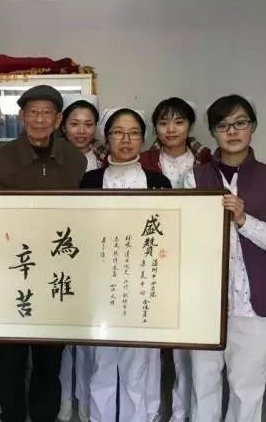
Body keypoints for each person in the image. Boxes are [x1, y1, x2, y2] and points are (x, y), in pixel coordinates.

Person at [185, 95, 266, 422]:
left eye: (240, 123)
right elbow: (185, 240)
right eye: (223, 125)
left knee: (247, 391)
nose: (232, 131)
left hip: (254, 305)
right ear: (212, 132)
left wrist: (245, 220)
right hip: (205, 304)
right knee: (203, 386)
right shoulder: (194, 177)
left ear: (252, 127)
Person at [0, 85, 86, 422]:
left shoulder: (76, 160)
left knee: (49, 358)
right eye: (33, 112)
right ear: (21, 117)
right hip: (12, 270)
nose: (40, 119)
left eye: (47, 113)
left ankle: (44, 415)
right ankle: (11, 415)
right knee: (10, 359)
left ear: (58, 119)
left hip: (55, 272)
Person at [81, 107, 171, 422]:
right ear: (107, 137)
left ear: (143, 139)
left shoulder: (158, 182)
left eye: (133, 133)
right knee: (102, 363)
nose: (126, 139)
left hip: (143, 285)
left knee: (139, 364)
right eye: (118, 132)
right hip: (101, 285)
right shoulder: (90, 181)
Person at [140, 97, 211, 422]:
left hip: (194, 258)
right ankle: (153, 408)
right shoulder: (144, 161)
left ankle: (182, 411)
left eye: (179, 122)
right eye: (164, 122)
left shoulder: (207, 162)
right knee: (152, 342)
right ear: (155, 127)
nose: (171, 129)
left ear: (190, 126)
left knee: (187, 342)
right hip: (154, 256)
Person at [57, 94, 102, 422]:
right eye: (75, 123)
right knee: (61, 336)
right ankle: (63, 399)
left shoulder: (105, 159)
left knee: (87, 336)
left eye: (88, 124)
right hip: (58, 249)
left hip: (93, 253)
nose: (81, 130)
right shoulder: (53, 156)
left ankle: (85, 401)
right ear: (63, 126)